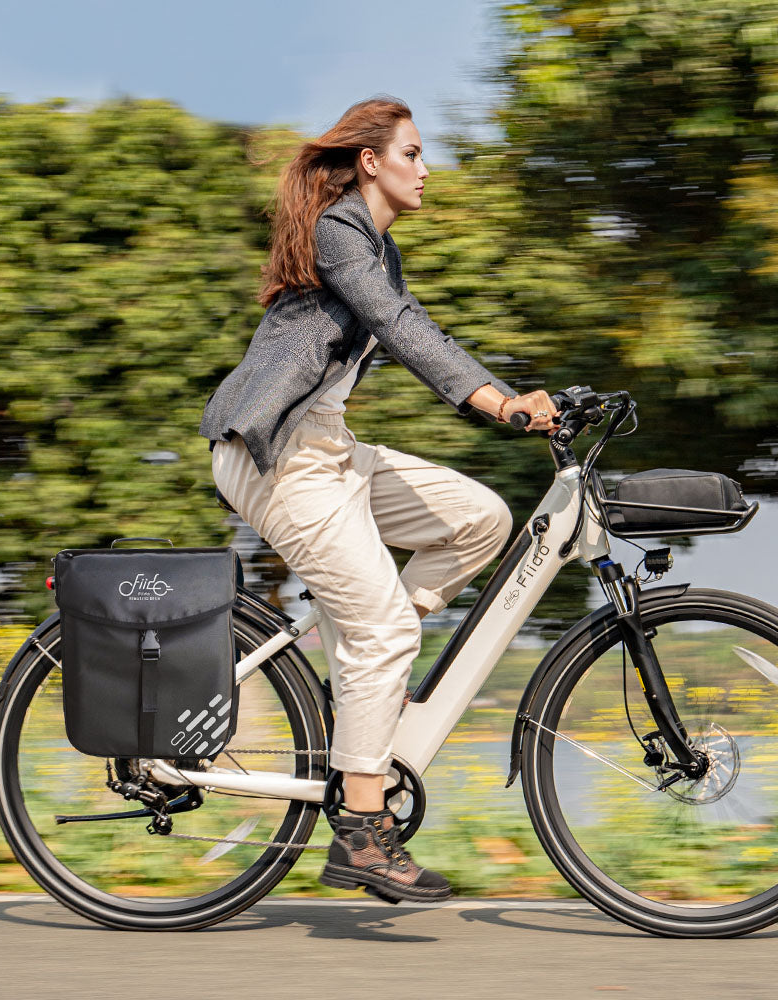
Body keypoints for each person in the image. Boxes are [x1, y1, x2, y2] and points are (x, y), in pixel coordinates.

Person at [200, 96, 558, 903]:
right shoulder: (341, 232)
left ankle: (361, 651)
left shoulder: (376, 247)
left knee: (481, 520)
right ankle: (362, 832)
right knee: (385, 627)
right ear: (372, 161)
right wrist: (498, 402)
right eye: (414, 154)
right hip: (277, 455)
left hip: (328, 448)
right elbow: (402, 327)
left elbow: (402, 322)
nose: (427, 170)